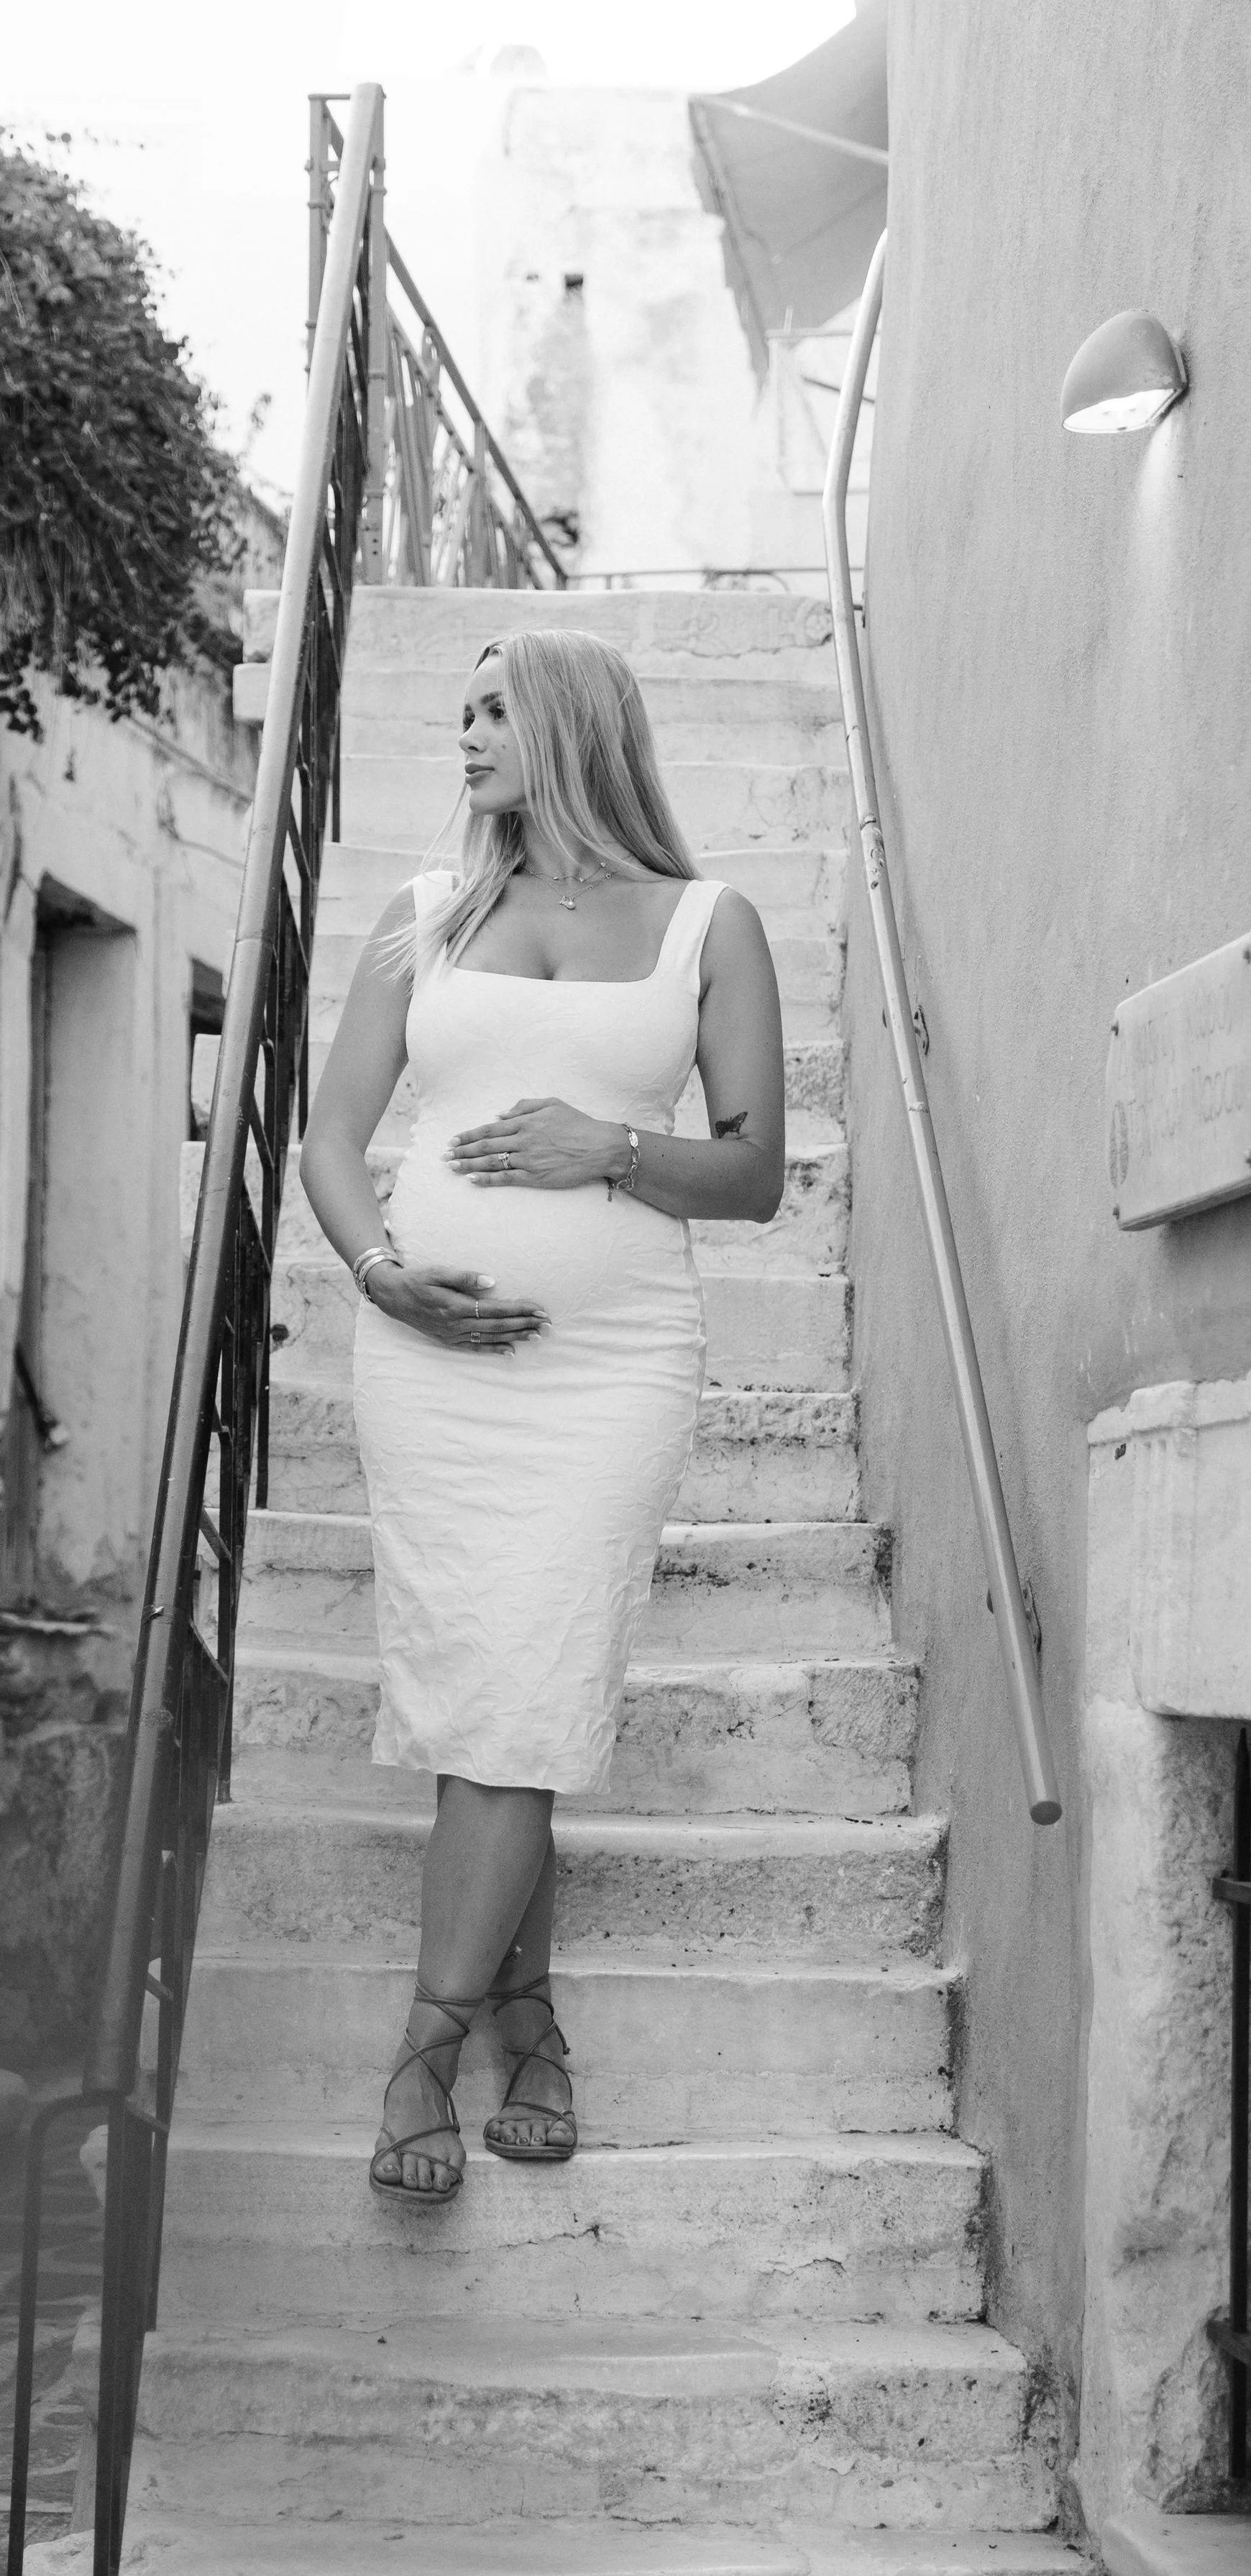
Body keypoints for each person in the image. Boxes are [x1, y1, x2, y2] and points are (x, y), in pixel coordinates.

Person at [298, 627, 786, 2203]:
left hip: (611, 1370)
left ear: (572, 723)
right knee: (492, 1699)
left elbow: (756, 1172)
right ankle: (528, 2014)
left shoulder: (711, 923)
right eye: (456, 713)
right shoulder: (419, 917)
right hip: (428, 1365)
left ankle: (423, 2050)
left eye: (494, 710)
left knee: (525, 1684)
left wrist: (606, 1147)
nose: (466, 735)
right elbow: (326, 1137)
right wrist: (380, 1276)